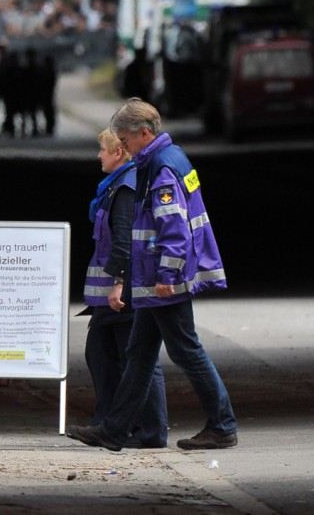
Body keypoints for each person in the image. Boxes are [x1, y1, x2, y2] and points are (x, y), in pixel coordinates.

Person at [69, 99, 236, 451]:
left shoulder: (161, 169)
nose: (123, 148)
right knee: (139, 354)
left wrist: (167, 276)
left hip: (163, 281)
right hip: (151, 280)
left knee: (186, 350)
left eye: (125, 140)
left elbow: (174, 229)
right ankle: (114, 430)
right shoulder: (165, 159)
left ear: (144, 134)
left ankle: (222, 425)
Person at [78, 128, 168, 448]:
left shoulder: (126, 188)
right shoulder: (117, 185)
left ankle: (147, 430)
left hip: (123, 291)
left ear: (119, 153)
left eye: (102, 149)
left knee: (135, 359)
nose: (98, 155)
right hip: (115, 292)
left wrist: (118, 284)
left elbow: (125, 240)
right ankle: (110, 423)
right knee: (103, 353)